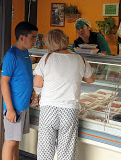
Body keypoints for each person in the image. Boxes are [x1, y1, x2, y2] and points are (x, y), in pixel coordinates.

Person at [33, 29, 95, 160]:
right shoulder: (80, 59)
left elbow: (37, 83)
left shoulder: (47, 58)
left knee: (45, 151)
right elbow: (91, 79)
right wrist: (75, 76)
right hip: (69, 110)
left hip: (48, 108)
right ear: (65, 40)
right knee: (66, 152)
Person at [1, 21, 38, 160]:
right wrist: (10, 109)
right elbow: (4, 82)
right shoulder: (11, 55)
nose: (35, 41)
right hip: (14, 107)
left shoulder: (25, 52)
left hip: (23, 105)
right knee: (10, 141)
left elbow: (26, 75)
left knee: (16, 141)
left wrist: (32, 90)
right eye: (32, 37)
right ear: (22, 37)